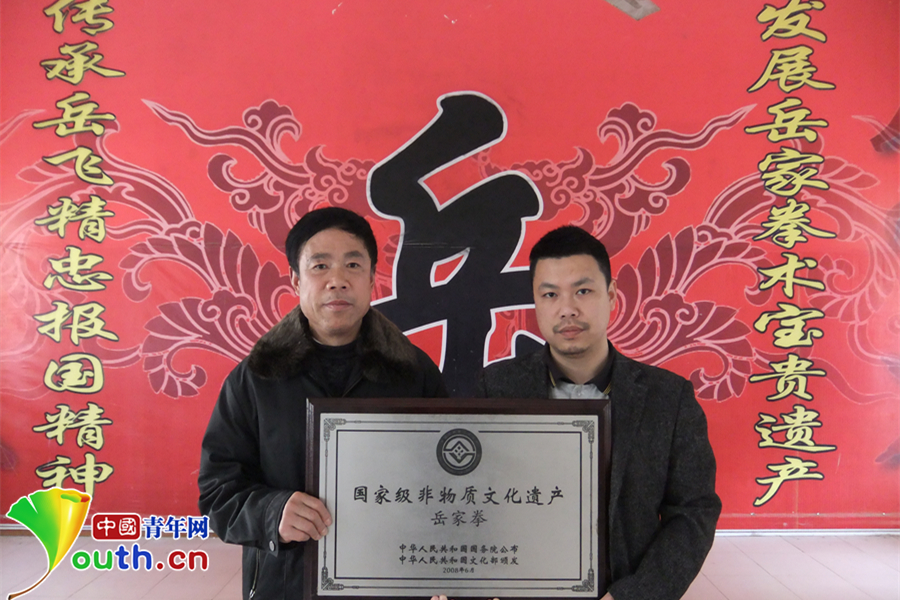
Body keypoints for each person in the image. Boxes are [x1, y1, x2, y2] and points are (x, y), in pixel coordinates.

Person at [199, 206, 448, 600]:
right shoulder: (256, 378)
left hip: (389, 582)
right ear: (297, 280)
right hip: (286, 585)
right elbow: (218, 494)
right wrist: (272, 512)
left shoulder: (413, 373)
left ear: (372, 278)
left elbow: (448, 480)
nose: (337, 281)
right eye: (320, 266)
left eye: (353, 265)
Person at [476, 225, 720, 600]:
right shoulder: (495, 388)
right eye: (550, 294)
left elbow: (693, 512)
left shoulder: (669, 399)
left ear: (611, 295)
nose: (567, 309)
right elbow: (469, 499)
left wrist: (632, 596)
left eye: (583, 291)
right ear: (535, 302)